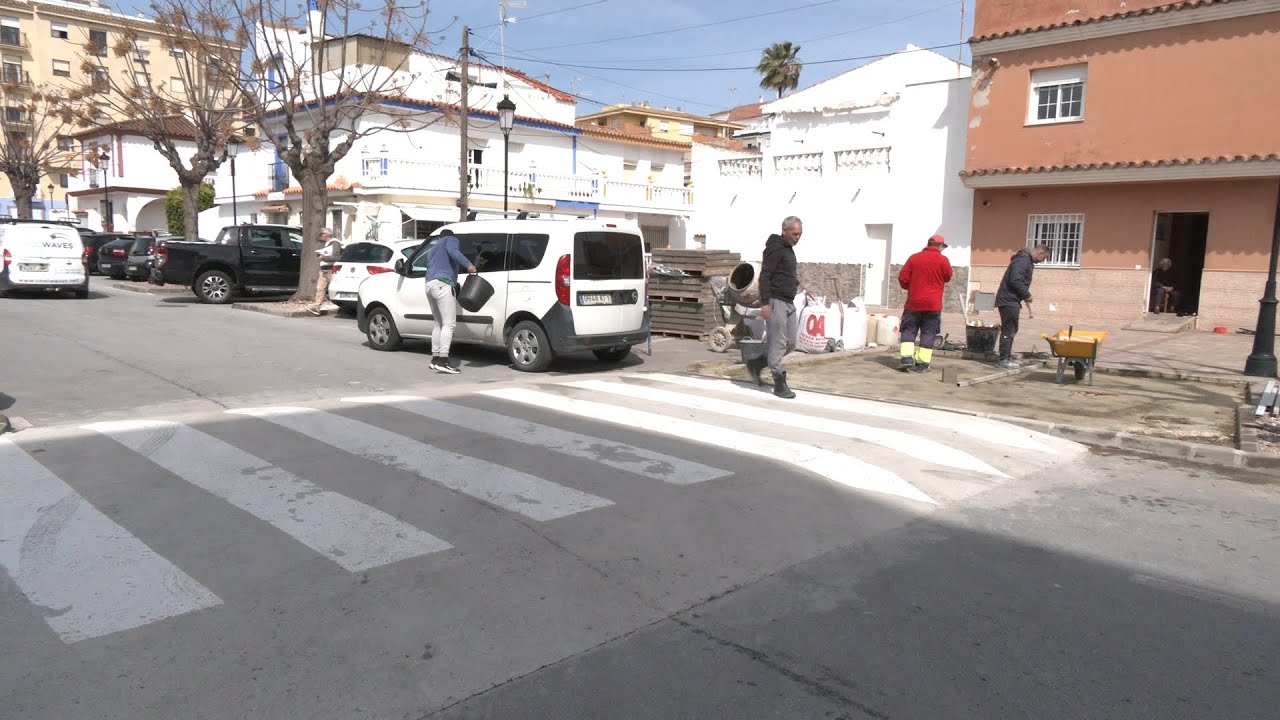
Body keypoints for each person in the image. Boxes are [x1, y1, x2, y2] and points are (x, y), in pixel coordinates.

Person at [745, 216, 802, 399]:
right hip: (775, 301)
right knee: (778, 343)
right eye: (794, 234)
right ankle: (779, 382)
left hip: (788, 300)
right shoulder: (775, 249)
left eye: (800, 234)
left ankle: (757, 362)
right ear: (784, 231)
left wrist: (793, 282)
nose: (797, 237)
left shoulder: (788, 249)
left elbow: (783, 273)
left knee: (791, 342)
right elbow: (766, 276)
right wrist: (765, 303)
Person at [896, 234, 953, 373]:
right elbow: (948, 277)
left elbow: (903, 278)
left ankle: (907, 359)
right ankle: (922, 365)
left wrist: (912, 288)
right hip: (933, 305)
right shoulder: (943, 260)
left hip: (913, 303)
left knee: (909, 329)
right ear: (940, 246)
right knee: (928, 332)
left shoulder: (914, 258)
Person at [424, 229, 477, 374]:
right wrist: (469, 265)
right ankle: (443, 361)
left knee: (438, 323)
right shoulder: (450, 240)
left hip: (429, 285)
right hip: (443, 283)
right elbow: (454, 252)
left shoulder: (432, 248)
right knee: (449, 324)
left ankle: (434, 359)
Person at [994, 244, 1050, 369]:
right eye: (1043, 258)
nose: (1042, 261)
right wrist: (1026, 294)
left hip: (1012, 299)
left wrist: (1023, 296)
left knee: (1012, 329)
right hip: (1008, 300)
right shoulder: (1023, 260)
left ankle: (1007, 356)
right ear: (1039, 253)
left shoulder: (1025, 260)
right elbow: (1015, 280)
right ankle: (1003, 359)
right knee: (1008, 329)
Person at [307, 228, 343, 315]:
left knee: (336, 288)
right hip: (323, 270)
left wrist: (323, 258)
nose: (320, 236)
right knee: (320, 288)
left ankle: (343, 306)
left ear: (326, 235)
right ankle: (317, 307)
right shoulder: (325, 244)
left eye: (321, 234)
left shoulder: (335, 243)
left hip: (331, 270)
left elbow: (336, 257)